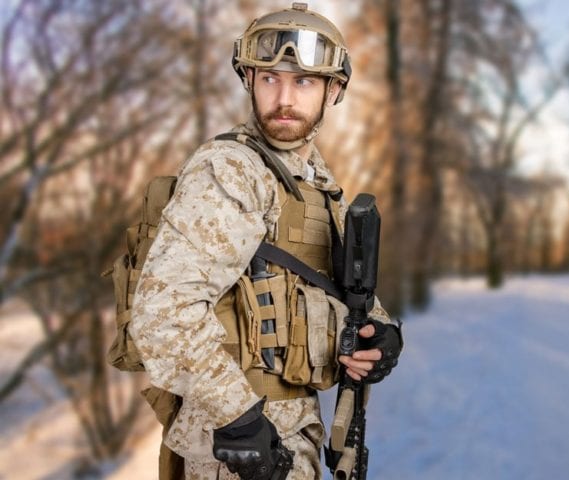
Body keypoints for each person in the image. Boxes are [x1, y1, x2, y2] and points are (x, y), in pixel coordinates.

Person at [129, 3, 403, 480]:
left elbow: (328, 287)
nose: (284, 98)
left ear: (331, 90)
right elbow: (162, 311)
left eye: (303, 81)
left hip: (291, 430)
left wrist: (379, 332)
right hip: (239, 447)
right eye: (270, 78)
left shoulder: (312, 181)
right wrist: (240, 419)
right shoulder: (233, 169)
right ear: (249, 80)